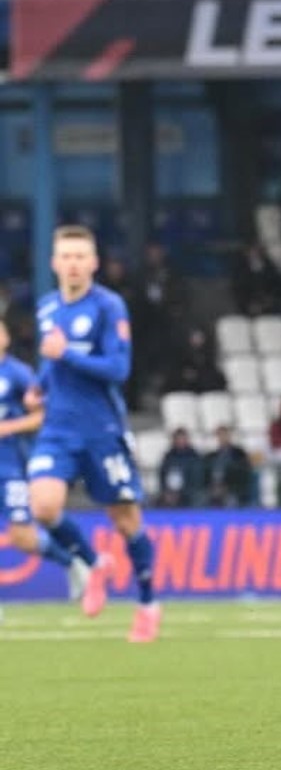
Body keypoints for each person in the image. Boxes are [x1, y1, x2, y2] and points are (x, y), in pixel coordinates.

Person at [27, 225, 159, 642]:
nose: (73, 264)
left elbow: (118, 370)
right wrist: (39, 386)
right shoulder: (47, 307)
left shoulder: (108, 306)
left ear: (94, 263)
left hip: (101, 428)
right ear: (54, 263)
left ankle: (147, 603)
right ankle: (94, 562)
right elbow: (51, 363)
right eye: (66, 256)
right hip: (58, 427)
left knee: (126, 520)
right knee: (43, 507)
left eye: (80, 256)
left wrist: (65, 353)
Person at [0, 320, 91, 599]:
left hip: (9, 465)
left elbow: (42, 416)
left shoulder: (17, 373)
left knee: (22, 536)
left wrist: (9, 427)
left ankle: (70, 561)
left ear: (6, 338)